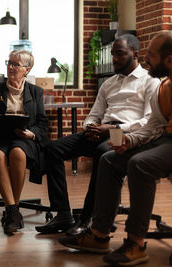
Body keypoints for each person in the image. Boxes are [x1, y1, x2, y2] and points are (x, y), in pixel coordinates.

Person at [59, 31, 172, 267]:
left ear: (169, 60)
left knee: (140, 164)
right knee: (109, 159)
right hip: (164, 139)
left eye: (150, 56)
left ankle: (136, 243)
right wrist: (129, 141)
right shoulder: (164, 87)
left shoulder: (152, 83)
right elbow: (153, 126)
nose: (146, 60)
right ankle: (99, 235)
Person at [35, 34, 160, 235]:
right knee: (52, 149)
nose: (115, 59)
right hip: (101, 131)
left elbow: (147, 121)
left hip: (127, 134)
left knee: (103, 153)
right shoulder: (108, 83)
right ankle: (63, 214)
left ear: (135, 54)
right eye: (113, 54)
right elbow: (94, 115)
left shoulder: (150, 82)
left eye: (120, 54)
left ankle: (88, 218)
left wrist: (112, 129)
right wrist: (91, 127)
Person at [0, 50, 49, 234]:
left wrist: (30, 133)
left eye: (15, 64)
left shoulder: (36, 92)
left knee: (17, 153)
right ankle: (14, 211)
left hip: (23, 138)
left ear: (27, 69)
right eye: (9, 63)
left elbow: (42, 124)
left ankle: (11, 210)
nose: (10, 67)